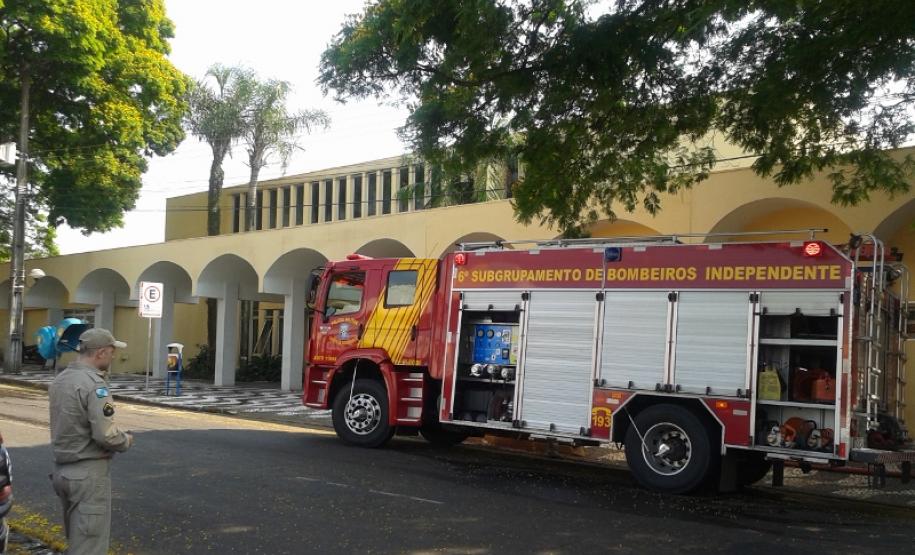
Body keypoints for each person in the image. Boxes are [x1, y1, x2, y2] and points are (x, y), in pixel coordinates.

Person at [49, 328, 134, 555]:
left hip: (62, 471)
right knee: (89, 547)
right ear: (100, 353)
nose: (113, 357)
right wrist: (125, 440)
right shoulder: (94, 385)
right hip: (87, 475)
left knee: (77, 541)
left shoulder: (61, 379)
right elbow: (105, 434)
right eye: (112, 352)